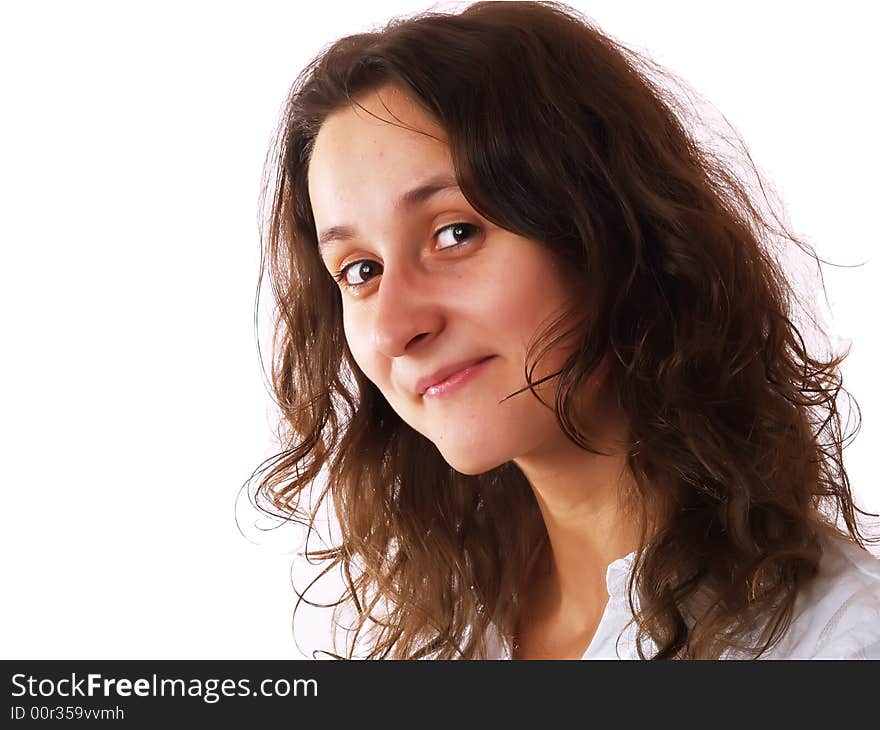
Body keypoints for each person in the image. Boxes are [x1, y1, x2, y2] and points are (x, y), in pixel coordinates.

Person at [249, 0, 880, 659]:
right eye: (360, 270)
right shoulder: (440, 638)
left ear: (607, 225)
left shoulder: (841, 649)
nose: (394, 327)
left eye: (454, 233)